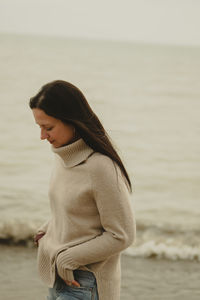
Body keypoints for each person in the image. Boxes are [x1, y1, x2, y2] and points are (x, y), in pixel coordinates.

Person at [30, 80, 136, 300]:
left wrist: (68, 259)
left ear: (72, 121)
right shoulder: (62, 157)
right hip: (58, 274)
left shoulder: (101, 167)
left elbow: (122, 235)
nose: (42, 136)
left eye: (48, 127)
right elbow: (75, 208)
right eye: (39, 127)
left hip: (86, 282)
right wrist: (49, 229)